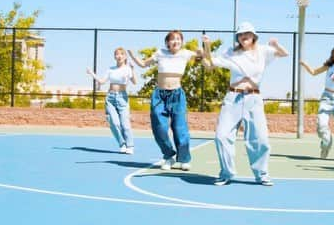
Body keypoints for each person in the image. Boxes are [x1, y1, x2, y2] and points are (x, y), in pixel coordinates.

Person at [201, 21, 289, 186]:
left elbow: (285, 54)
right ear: (237, 37)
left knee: (260, 140)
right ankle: (226, 173)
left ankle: (261, 174)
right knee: (221, 136)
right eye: (240, 34)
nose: (244, 37)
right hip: (233, 98)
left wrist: (277, 44)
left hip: (253, 99)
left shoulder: (263, 51)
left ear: (254, 36)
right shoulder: (231, 52)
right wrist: (207, 46)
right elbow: (210, 63)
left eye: (247, 33)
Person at [128, 30, 201, 171]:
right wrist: (132, 55)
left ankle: (184, 159)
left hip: (177, 95)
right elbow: (143, 64)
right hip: (159, 95)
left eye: (178, 39)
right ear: (167, 42)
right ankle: (168, 156)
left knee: (180, 129)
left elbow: (203, 56)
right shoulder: (160, 53)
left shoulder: (185, 53)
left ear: (182, 42)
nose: (176, 41)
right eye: (172, 39)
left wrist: (205, 47)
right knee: (159, 128)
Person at [87, 47, 137, 154]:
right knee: (114, 122)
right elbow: (102, 81)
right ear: (114, 57)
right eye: (117, 54)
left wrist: (133, 69)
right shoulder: (111, 69)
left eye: (121, 54)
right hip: (110, 97)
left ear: (125, 57)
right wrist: (92, 73)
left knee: (125, 124)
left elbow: (134, 82)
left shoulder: (128, 68)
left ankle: (130, 145)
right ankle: (122, 144)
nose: (119, 56)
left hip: (122, 98)